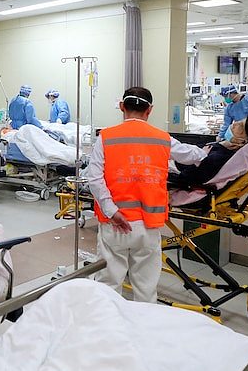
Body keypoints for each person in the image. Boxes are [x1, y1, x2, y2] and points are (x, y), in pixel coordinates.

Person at [86, 87, 208, 303]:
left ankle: (108, 331)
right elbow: (192, 155)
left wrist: (112, 211)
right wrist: (211, 150)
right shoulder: (162, 139)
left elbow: (94, 179)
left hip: (115, 224)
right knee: (145, 289)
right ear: (149, 110)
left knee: (109, 287)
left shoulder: (106, 137)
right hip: (148, 226)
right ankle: (143, 331)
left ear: (122, 107)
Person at [168, 113, 248, 189]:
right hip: (176, 157)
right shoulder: (223, 148)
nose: (234, 123)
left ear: (243, 141)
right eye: (239, 121)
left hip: (171, 167)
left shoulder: (220, 158)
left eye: (240, 126)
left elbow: (186, 178)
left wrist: (199, 157)